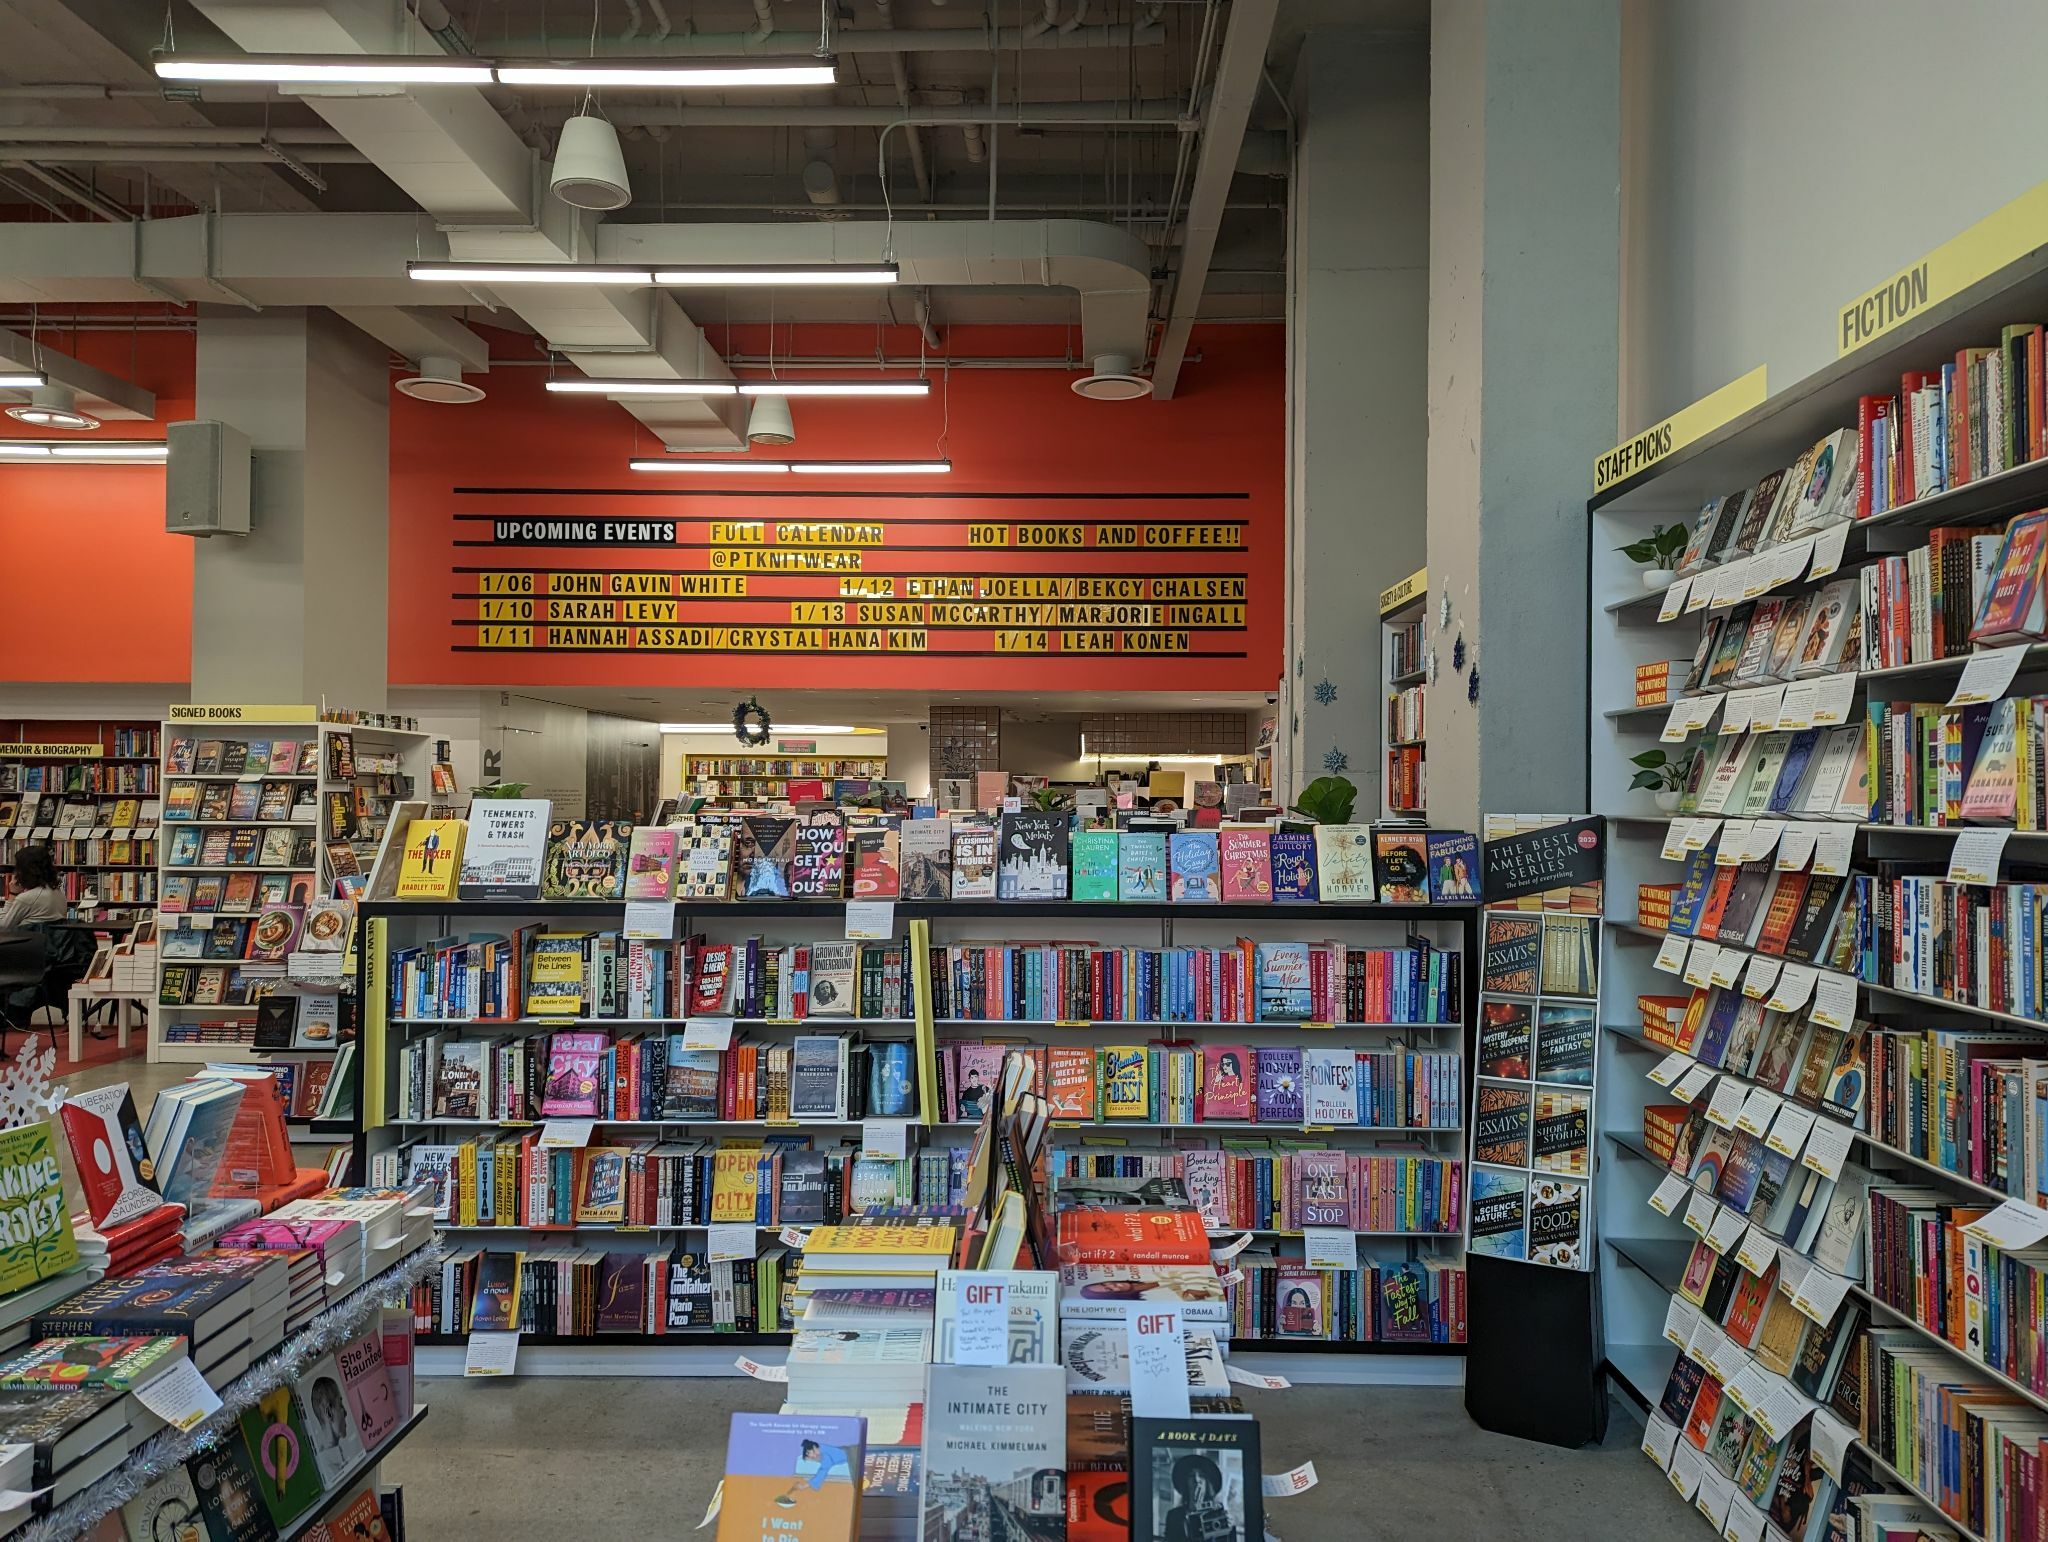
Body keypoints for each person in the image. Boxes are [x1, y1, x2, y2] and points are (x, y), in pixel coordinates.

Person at [1161, 1453, 1235, 1542]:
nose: (1196, 1480)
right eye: (1191, 1476)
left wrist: (1230, 1529)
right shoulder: (1174, 1516)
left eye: (1202, 1476)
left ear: (1208, 1483)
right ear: (1186, 1482)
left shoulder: (1217, 1513)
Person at [0, 847, 67, 929]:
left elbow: (3, 927)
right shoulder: (59, 894)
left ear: (24, 870)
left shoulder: (26, 898)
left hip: (27, 937)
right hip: (49, 937)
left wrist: (13, 894)